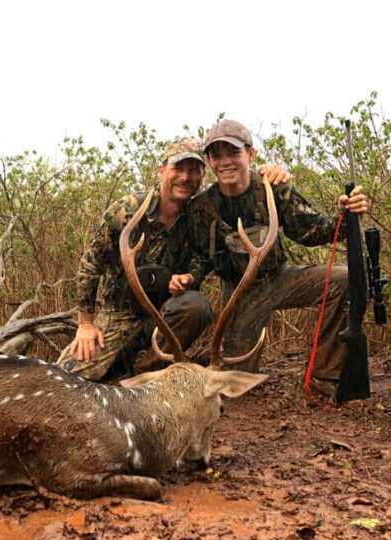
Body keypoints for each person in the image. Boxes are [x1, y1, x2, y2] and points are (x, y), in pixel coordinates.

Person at [57, 138, 289, 381]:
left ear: (202, 176)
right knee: (65, 378)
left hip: (167, 315)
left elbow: (203, 257)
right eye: (178, 168)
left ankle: (146, 378)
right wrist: (85, 324)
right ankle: (121, 371)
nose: (185, 177)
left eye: (194, 171)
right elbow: (90, 264)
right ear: (161, 170)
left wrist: (190, 277)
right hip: (120, 315)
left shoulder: (199, 213)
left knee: (196, 306)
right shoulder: (129, 210)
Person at [188, 119, 370, 398]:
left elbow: (313, 231)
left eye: (233, 153)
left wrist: (346, 214)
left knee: (344, 279)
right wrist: (187, 278)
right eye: (216, 155)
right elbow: (200, 258)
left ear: (250, 154)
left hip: (281, 278)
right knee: (235, 388)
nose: (225, 161)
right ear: (209, 161)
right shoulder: (201, 206)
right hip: (239, 294)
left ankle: (324, 377)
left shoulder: (274, 188)